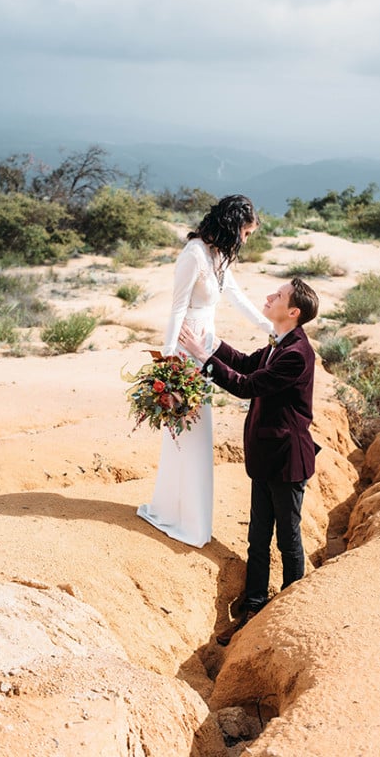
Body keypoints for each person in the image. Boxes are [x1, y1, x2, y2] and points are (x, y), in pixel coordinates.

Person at [179, 277, 319, 644]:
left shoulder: (296, 354)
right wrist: (210, 341)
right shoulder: (279, 343)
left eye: (278, 295)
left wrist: (203, 357)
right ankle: (254, 606)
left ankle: (291, 606)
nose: (269, 297)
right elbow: (243, 362)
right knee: (258, 537)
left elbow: (246, 385)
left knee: (287, 538)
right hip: (267, 456)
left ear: (293, 312)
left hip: (288, 460)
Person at [136, 195, 273, 548]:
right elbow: (177, 308)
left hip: (205, 349)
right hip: (186, 355)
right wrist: (167, 364)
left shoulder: (218, 255)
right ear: (232, 226)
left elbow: (236, 296)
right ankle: (181, 518)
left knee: (197, 435)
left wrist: (268, 327)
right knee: (189, 435)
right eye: (245, 232)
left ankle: (188, 515)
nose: (245, 240)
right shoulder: (193, 255)